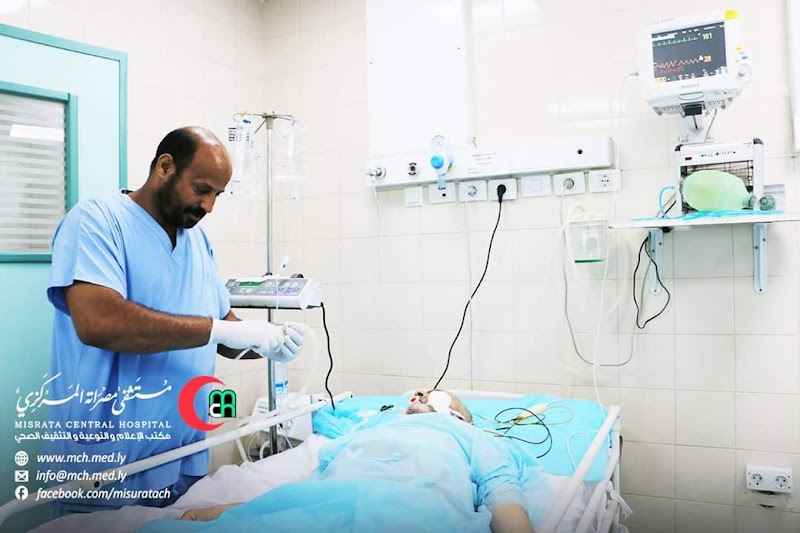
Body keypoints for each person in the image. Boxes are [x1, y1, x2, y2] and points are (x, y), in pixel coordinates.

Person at [42, 126, 305, 516]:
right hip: (109, 462)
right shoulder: (96, 222)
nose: (209, 206)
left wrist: (268, 342)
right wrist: (222, 329)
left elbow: (224, 331)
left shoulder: (197, 241)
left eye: (217, 195)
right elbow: (99, 322)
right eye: (201, 189)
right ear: (165, 167)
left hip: (182, 457)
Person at [148, 390, 536, 533]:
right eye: (419, 394)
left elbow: (503, 495)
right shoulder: (369, 431)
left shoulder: (467, 436)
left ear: (457, 416)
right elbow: (312, 487)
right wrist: (228, 511)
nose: (419, 395)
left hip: (414, 509)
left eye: (435, 395)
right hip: (326, 507)